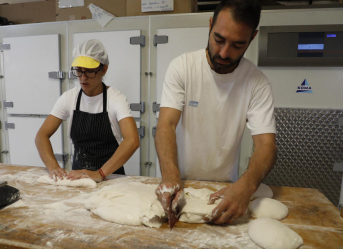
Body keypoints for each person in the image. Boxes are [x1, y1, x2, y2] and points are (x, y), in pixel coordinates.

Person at [154, 0, 277, 225]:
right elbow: (166, 125)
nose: (223, 52)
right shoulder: (182, 67)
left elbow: (266, 146)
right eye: (218, 39)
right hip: (179, 182)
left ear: (252, 37)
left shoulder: (257, 83)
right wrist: (171, 176)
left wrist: (245, 188)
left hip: (226, 189)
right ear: (210, 24)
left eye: (237, 45)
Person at [35, 39, 139, 182]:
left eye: (90, 71)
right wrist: (53, 167)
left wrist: (100, 173)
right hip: (77, 178)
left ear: (104, 69)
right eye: (79, 71)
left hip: (111, 178)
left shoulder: (116, 99)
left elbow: (132, 140)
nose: (83, 78)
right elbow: (41, 135)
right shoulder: (69, 98)